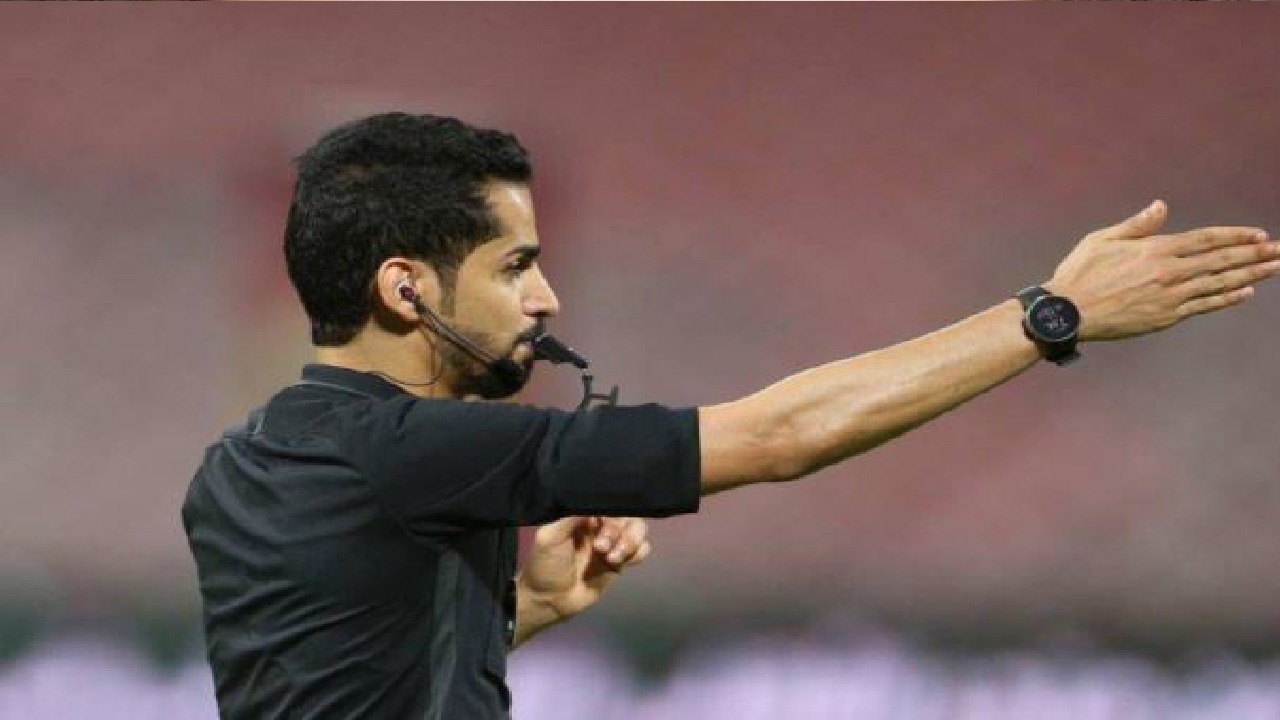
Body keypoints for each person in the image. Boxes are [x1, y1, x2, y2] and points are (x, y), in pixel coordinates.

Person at [182, 112, 1280, 719]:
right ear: (405, 287)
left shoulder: (240, 464)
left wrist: (527, 609)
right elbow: (779, 437)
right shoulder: (417, 451)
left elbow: (340, 678)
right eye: (514, 266)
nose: (545, 299)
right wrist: (1048, 316)